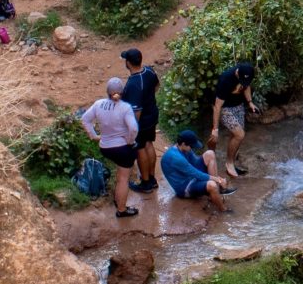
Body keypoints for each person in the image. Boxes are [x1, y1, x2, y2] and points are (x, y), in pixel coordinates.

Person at [80, 79, 145, 219]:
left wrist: (94, 136)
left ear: (108, 93)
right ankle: (121, 209)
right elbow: (133, 128)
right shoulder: (125, 108)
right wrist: (130, 141)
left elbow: (85, 119)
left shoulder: (98, 104)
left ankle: (118, 199)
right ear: (122, 93)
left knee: (120, 174)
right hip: (122, 149)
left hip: (105, 147)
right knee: (123, 179)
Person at [120, 47, 163, 190]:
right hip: (152, 114)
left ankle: (145, 183)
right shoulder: (149, 71)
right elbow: (157, 86)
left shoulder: (133, 84)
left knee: (140, 148)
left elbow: (136, 111)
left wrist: (132, 129)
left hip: (141, 121)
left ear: (129, 63)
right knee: (149, 144)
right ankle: (152, 178)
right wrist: (148, 97)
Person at [207, 59, 257, 177]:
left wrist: (250, 102)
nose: (243, 83)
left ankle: (232, 161)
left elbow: (247, 86)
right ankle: (228, 164)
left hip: (238, 106)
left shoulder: (248, 72)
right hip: (225, 108)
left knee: (236, 136)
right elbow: (217, 106)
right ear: (237, 73)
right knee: (240, 134)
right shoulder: (226, 79)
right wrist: (215, 129)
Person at [159, 129, 228, 212]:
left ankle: (216, 192)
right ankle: (223, 210)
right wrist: (218, 179)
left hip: (190, 176)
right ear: (184, 144)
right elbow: (196, 174)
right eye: (191, 146)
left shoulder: (184, 148)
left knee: (210, 153)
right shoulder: (177, 158)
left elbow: (195, 163)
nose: (192, 148)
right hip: (185, 188)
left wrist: (215, 178)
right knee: (212, 185)